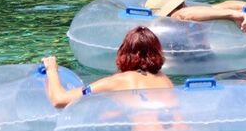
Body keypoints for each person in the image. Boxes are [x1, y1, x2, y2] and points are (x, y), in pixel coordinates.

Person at [41, 26, 173, 108]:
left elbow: (58, 100)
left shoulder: (119, 82)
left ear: (124, 52)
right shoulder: (165, 80)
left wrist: (51, 69)